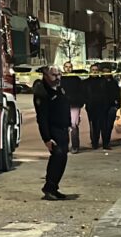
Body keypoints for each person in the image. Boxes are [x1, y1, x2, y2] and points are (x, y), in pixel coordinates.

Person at [32, 65, 72, 200]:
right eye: (54, 75)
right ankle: (49, 187)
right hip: (53, 129)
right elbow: (42, 118)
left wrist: (68, 124)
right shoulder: (43, 92)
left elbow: (65, 107)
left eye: (59, 74)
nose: (58, 77)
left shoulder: (60, 88)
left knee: (62, 158)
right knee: (57, 157)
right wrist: (47, 138)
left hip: (63, 128)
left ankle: (53, 187)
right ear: (45, 75)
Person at [84, 64, 119, 150]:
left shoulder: (103, 81)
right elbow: (83, 94)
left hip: (103, 107)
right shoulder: (85, 82)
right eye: (93, 69)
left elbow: (108, 93)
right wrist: (87, 103)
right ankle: (95, 143)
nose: (94, 71)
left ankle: (105, 144)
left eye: (96, 69)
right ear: (90, 70)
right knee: (94, 126)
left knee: (104, 126)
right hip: (92, 107)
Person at [62, 63, 86, 153]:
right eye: (66, 67)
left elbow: (81, 92)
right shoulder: (60, 79)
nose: (68, 69)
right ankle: (64, 146)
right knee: (63, 126)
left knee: (73, 125)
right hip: (63, 105)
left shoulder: (76, 79)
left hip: (74, 105)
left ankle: (75, 146)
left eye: (69, 67)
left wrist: (80, 102)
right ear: (64, 68)